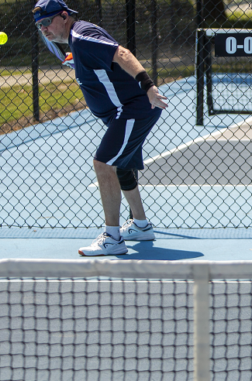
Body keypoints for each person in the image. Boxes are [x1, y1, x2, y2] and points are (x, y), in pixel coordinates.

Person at [33, 0, 168, 256]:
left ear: (64, 16)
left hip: (130, 109)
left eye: (47, 22)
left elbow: (122, 54)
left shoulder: (82, 36)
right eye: (39, 25)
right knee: (122, 168)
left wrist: (148, 87)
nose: (44, 29)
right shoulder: (78, 40)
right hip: (123, 112)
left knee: (103, 164)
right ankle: (140, 225)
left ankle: (113, 238)